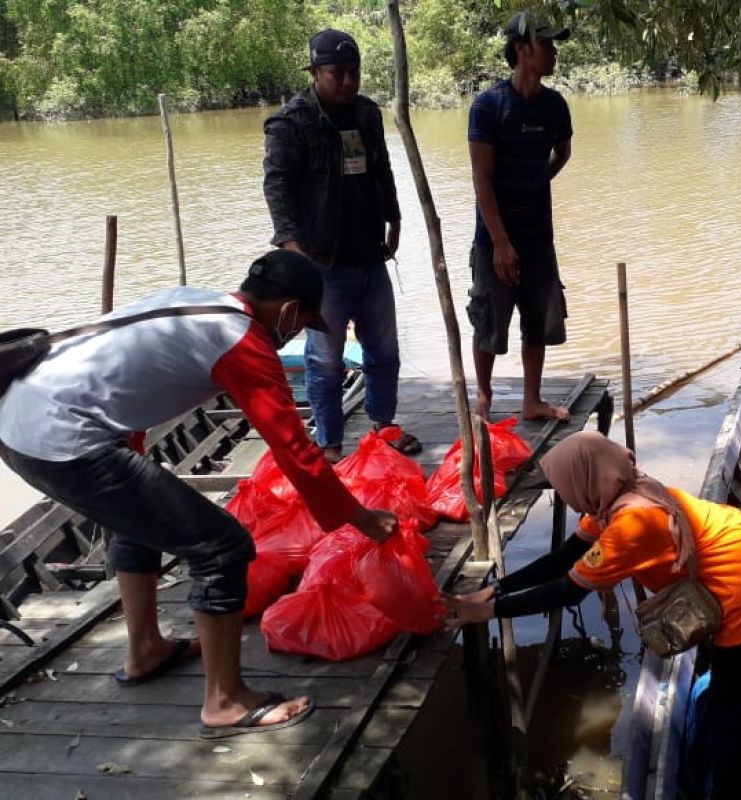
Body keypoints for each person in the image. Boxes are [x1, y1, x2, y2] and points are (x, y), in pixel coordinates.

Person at [0, 250, 398, 737]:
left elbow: (124, 377)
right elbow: (297, 452)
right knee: (223, 547)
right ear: (291, 311)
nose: (296, 336)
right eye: (303, 325)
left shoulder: (197, 301)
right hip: (61, 440)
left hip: (19, 427)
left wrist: (134, 454)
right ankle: (225, 702)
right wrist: (361, 519)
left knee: (136, 519)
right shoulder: (244, 342)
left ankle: (146, 650)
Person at [445, 431, 741, 798]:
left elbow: (570, 589)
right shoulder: (620, 494)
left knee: (733, 712)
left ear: (582, 478)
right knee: (740, 701)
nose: (564, 495)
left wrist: (487, 611)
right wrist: (499, 587)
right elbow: (564, 558)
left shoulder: (630, 524)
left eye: (562, 484)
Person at [263, 28, 421, 463]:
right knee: (325, 358)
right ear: (315, 72)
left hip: (369, 253)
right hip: (320, 261)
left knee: (384, 349)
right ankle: (330, 442)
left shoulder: (367, 114)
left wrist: (394, 215)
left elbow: (382, 168)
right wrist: (290, 247)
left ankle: (384, 425)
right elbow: (277, 186)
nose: (348, 81)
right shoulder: (291, 123)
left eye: (354, 72)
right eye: (338, 73)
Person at [467, 12, 574, 422]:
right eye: (546, 44)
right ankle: (483, 397)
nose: (554, 51)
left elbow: (562, 153)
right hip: (495, 235)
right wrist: (499, 241)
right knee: (490, 319)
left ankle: (532, 401)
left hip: (537, 235)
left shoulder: (554, 105)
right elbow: (482, 177)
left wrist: (535, 180)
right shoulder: (489, 106)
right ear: (522, 49)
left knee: (537, 317)